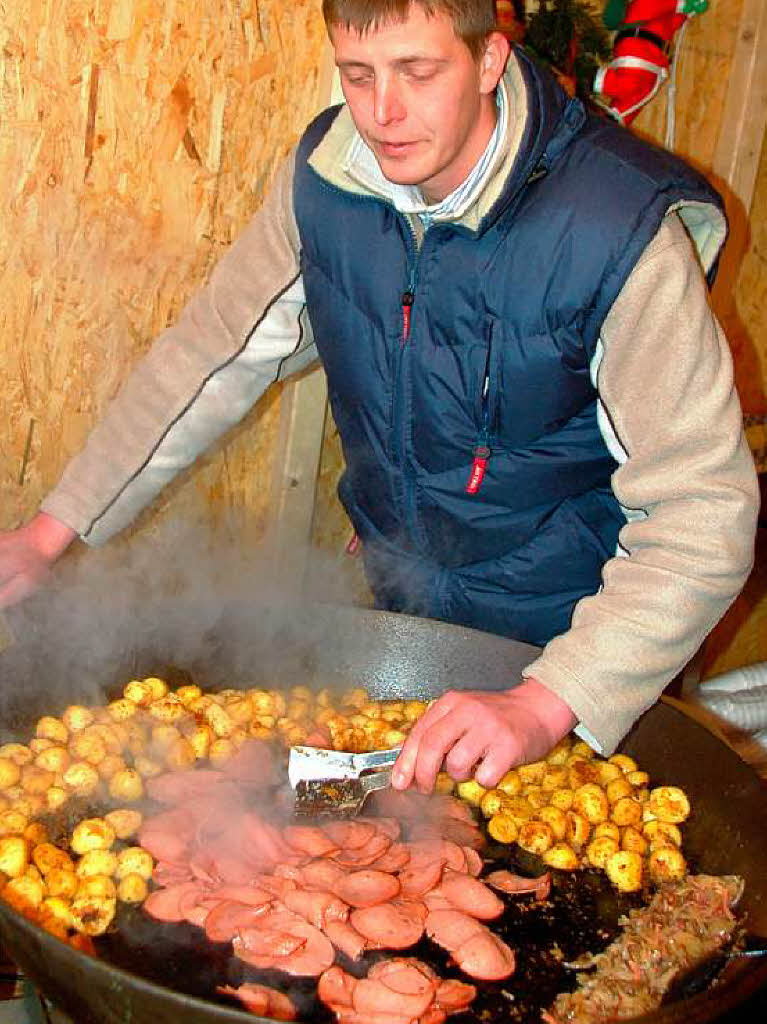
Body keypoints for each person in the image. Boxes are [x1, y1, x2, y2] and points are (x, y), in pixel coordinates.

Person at [0, 0, 759, 794]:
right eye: (356, 76)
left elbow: (702, 513)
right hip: (407, 603)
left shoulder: (614, 229)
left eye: (417, 72)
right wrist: (54, 531)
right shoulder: (330, 178)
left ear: (490, 60)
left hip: (577, 632)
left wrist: (545, 704)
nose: (383, 113)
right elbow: (209, 359)